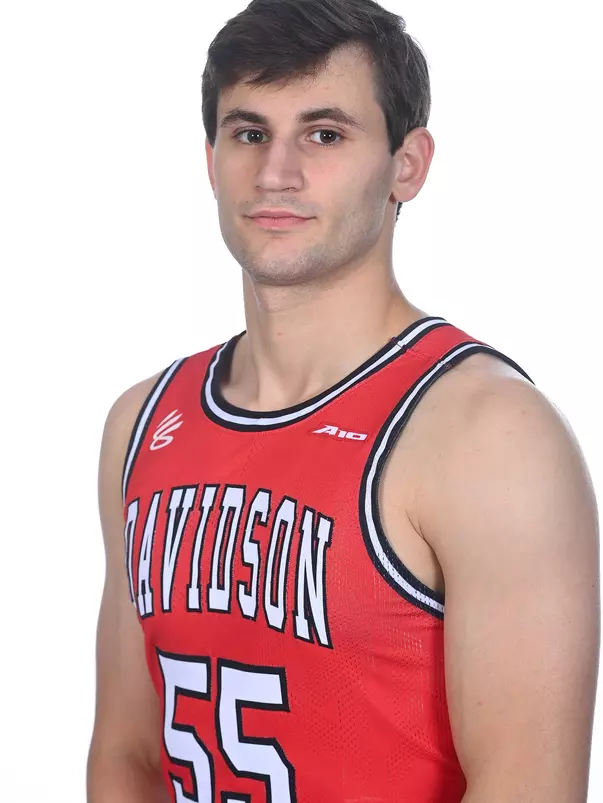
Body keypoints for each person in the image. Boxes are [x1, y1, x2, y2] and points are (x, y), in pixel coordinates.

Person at [87, 1, 600, 801]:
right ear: (211, 156)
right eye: (248, 133)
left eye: (324, 135)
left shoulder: (487, 436)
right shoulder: (141, 421)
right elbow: (126, 758)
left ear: (407, 164)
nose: (276, 173)